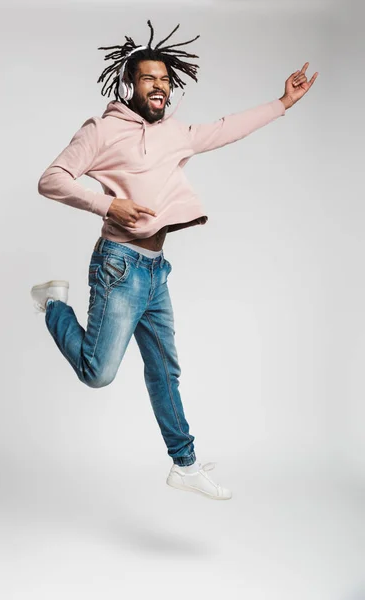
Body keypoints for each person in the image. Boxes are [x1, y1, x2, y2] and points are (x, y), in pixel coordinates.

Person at [31, 20, 318, 500]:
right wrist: (108, 204)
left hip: (155, 270)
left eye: (164, 79)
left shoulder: (176, 133)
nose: (159, 86)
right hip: (118, 266)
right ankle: (53, 304)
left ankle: (183, 464)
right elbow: (51, 178)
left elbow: (226, 129)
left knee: (165, 370)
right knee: (98, 374)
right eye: (149, 78)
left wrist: (283, 103)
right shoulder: (102, 130)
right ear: (130, 84)